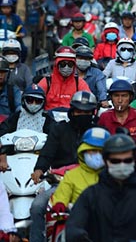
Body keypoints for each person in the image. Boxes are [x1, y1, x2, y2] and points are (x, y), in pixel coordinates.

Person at [66, 133, 136, 241]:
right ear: (106, 161)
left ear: (133, 161)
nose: (122, 165)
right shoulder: (91, 195)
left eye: (127, 160)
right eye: (116, 161)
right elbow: (74, 228)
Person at [28, 91, 97, 242]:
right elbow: (47, 152)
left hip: (91, 183)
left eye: (87, 112)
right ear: (72, 111)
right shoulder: (59, 129)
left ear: (93, 112)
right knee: (37, 206)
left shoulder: (97, 132)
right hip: (60, 183)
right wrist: (39, 169)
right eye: (79, 111)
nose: (82, 115)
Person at [50, 127, 111, 213]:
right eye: (92, 151)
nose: (97, 155)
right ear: (83, 152)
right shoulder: (71, 175)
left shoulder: (114, 175)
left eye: (101, 152)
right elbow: (62, 194)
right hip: (79, 219)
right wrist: (60, 203)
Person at [98, 80, 136, 149]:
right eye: (116, 96)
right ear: (111, 98)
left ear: (130, 98)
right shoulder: (105, 116)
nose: (120, 100)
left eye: (124, 96)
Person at [38, 46, 90, 110]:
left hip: (71, 118)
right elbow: (35, 99)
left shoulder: (79, 83)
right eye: (63, 64)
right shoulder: (47, 81)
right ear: (57, 65)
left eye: (70, 64)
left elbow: (89, 102)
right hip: (49, 118)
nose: (66, 67)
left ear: (74, 66)